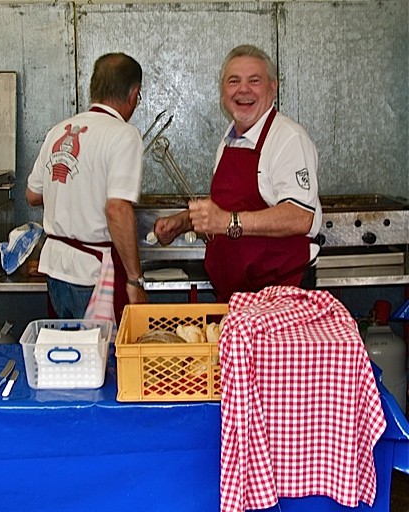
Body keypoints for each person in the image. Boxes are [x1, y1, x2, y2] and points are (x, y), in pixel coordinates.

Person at [153, 44, 322, 302]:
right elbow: (229, 210)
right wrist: (185, 221)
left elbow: (300, 217)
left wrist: (227, 221)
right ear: (223, 91)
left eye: (254, 81)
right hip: (237, 294)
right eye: (234, 81)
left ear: (273, 87)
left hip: (280, 293)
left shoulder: (288, 138)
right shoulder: (229, 141)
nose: (243, 89)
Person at [26, 52, 148, 322]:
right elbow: (117, 209)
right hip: (94, 274)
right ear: (133, 94)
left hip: (56, 269)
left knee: (67, 347)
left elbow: (33, 195)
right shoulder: (124, 134)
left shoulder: (58, 131)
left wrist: (72, 194)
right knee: (101, 347)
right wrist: (134, 280)